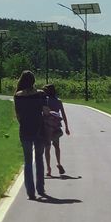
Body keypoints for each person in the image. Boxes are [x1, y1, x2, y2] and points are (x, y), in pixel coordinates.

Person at [13, 70, 48, 199]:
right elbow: (46, 111)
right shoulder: (41, 94)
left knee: (28, 161)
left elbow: (18, 115)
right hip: (39, 129)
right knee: (39, 159)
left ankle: (30, 192)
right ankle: (41, 188)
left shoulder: (18, 95)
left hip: (25, 130)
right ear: (33, 81)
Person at [42, 83, 71, 176]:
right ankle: (58, 163)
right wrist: (66, 127)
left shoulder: (45, 101)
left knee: (47, 148)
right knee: (57, 146)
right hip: (55, 126)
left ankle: (48, 168)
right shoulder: (58, 101)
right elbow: (63, 114)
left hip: (47, 126)